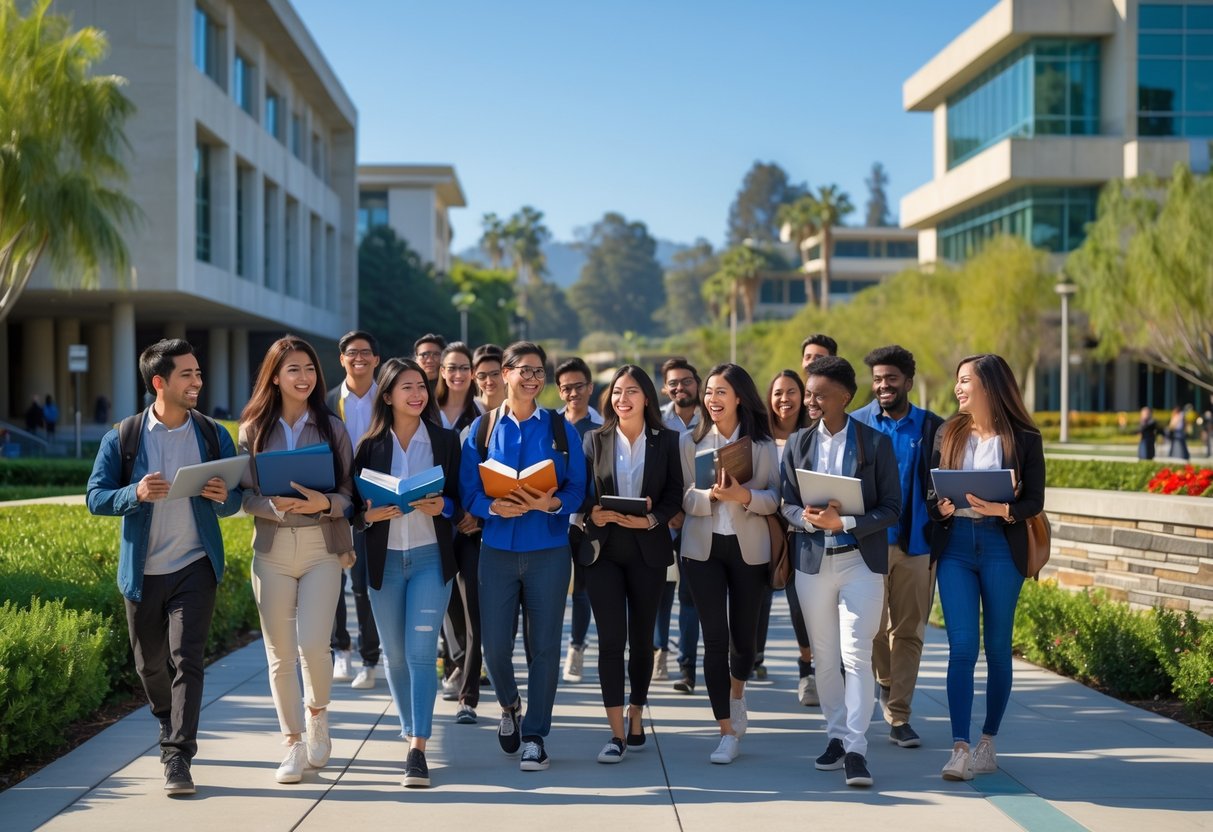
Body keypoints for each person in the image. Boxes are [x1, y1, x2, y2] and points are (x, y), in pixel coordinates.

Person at [86, 338, 243, 796]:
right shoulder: (124, 436)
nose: (197, 382)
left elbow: (233, 499)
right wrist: (132, 494)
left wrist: (222, 498)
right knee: (150, 664)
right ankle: (166, 721)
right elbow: (95, 497)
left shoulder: (214, 433)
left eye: (198, 373)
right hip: (143, 571)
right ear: (160, 382)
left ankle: (178, 755)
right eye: (187, 375)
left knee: (186, 659)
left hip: (195, 564)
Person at [458, 341, 587, 772]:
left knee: (545, 648)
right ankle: (510, 705)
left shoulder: (559, 428)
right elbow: (468, 491)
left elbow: (576, 490)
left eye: (539, 372)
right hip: (496, 551)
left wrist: (549, 504)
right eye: (524, 370)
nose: (533, 378)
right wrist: (492, 507)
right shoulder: (480, 429)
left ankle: (535, 735)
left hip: (548, 550)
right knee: (494, 647)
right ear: (505, 374)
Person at [239, 335, 355, 785]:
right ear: (275, 376)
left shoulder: (333, 428)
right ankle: (291, 743)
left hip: (321, 547)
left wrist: (322, 504)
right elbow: (243, 495)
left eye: (309, 368)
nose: (304, 377)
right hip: (270, 551)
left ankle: (318, 717)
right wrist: (272, 507)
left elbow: (350, 493)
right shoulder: (251, 429)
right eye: (293, 370)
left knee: (312, 644)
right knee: (280, 653)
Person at [780, 356, 900, 788]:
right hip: (812, 563)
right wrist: (809, 520)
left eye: (818, 394)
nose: (809, 401)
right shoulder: (798, 443)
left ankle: (856, 748)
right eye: (808, 393)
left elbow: (892, 508)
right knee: (826, 659)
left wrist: (845, 522)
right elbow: (785, 503)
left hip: (859, 562)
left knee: (856, 654)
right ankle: (834, 735)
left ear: (845, 396)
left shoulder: (875, 444)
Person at [928, 354, 1045, 781]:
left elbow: (1035, 500)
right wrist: (939, 507)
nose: (958, 389)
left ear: (989, 386)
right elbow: (930, 490)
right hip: (956, 544)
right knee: (962, 648)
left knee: (997, 648)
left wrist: (1003, 508)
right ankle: (959, 746)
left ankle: (987, 743)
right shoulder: (947, 432)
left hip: (1001, 545)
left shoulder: (1025, 438)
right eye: (957, 381)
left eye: (965, 381)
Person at [351, 358, 462, 788]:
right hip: (385, 563)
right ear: (387, 395)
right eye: (406, 387)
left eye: (421, 386)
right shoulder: (369, 446)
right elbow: (355, 512)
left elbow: (460, 501)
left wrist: (445, 507)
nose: (417, 394)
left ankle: (417, 749)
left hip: (432, 558)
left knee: (419, 654)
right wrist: (369, 514)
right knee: (394, 656)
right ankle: (408, 730)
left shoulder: (445, 441)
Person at [679, 362, 780, 765]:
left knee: (744, 641)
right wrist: (710, 498)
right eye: (709, 392)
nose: (712, 399)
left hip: (748, 549)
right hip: (702, 550)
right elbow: (683, 497)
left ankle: (737, 695)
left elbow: (776, 498)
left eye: (721, 392)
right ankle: (725, 731)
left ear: (739, 397)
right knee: (714, 639)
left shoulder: (762, 445)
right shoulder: (691, 441)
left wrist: (744, 498)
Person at [582, 365, 682, 763]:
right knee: (610, 640)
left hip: (648, 549)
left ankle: (636, 713)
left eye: (632, 391)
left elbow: (676, 495)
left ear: (646, 398)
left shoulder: (668, 441)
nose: (623, 399)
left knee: (642, 640)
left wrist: (651, 519)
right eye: (617, 392)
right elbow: (582, 493)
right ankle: (616, 734)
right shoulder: (594, 439)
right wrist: (593, 512)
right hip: (603, 551)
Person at [851, 345, 944, 749]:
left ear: (908, 381)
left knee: (907, 631)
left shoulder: (932, 428)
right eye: (877, 379)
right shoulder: (856, 424)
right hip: (867, 544)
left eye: (891, 379)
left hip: (917, 546)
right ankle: (886, 681)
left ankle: (900, 715)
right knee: (872, 629)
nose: (883, 386)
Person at [326, 330, 382, 691]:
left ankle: (369, 658)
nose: (358, 358)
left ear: (376, 359)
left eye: (365, 352)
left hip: (373, 500)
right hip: (332, 498)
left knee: (362, 585)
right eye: (351, 352)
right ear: (342, 359)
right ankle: (339, 650)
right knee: (330, 580)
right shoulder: (328, 400)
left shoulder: (388, 398)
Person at [751, 370, 811, 685]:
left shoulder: (814, 435)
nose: (784, 399)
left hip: (800, 531)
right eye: (777, 393)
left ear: (802, 397)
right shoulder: (757, 436)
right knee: (757, 599)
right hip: (760, 528)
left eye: (791, 392)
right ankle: (752, 659)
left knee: (799, 603)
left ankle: (807, 665)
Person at [556, 356, 601, 683]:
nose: (573, 393)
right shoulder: (549, 424)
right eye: (566, 388)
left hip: (586, 518)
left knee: (582, 589)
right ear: (559, 392)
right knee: (553, 588)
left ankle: (577, 646)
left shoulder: (601, 428)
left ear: (590, 387)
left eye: (579, 386)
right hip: (552, 517)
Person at [658, 357, 699, 693]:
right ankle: (657, 649)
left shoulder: (713, 417)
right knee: (659, 591)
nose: (679, 388)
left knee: (691, 595)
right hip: (664, 519)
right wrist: (669, 510)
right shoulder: (657, 419)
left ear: (696, 383)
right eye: (673, 383)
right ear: (664, 388)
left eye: (685, 381)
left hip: (701, 517)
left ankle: (687, 668)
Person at [473, 344, 505, 411]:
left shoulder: (520, 410)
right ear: (474, 377)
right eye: (482, 376)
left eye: (495, 374)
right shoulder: (469, 411)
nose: (489, 382)